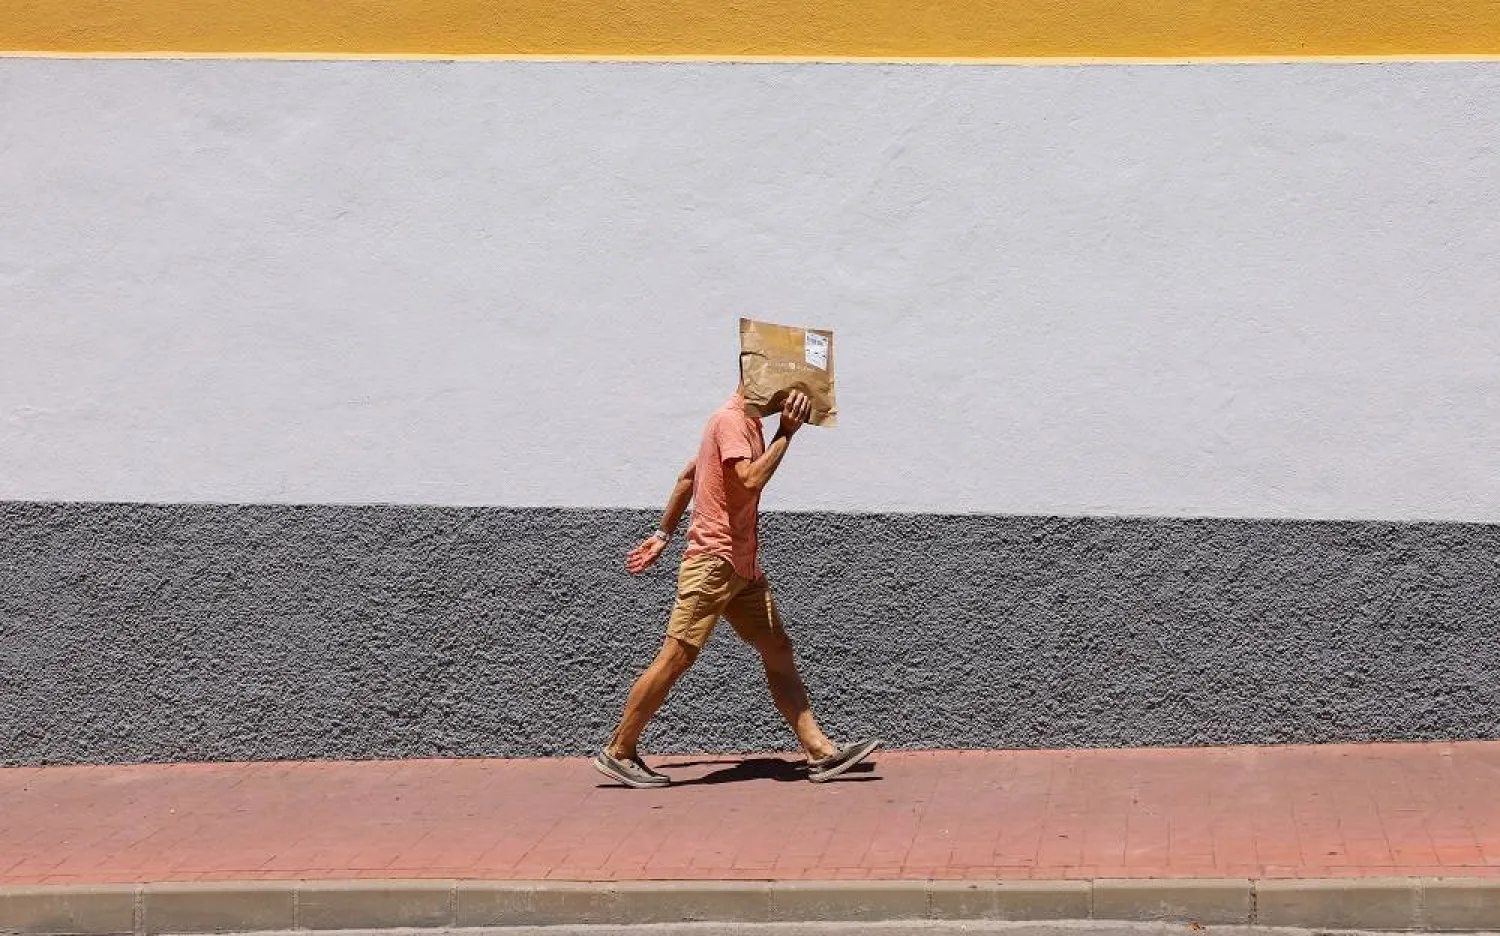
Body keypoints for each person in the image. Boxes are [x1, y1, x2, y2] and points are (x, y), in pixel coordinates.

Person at [593, 385, 881, 788]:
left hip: (742, 568)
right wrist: (787, 433)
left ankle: (819, 752)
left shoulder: (742, 422)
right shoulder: (731, 421)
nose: (792, 395)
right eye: (787, 386)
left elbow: (687, 478)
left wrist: (662, 535)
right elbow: (749, 479)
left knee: (778, 647)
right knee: (676, 656)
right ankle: (619, 750)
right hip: (714, 563)